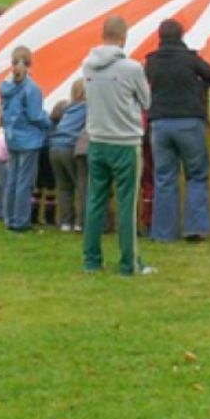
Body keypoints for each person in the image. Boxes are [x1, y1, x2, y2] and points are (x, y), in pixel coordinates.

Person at [82, 16, 154, 275]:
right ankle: (128, 263)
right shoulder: (131, 68)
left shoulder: (88, 65)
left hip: (98, 139)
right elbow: (146, 101)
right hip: (124, 141)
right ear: (124, 37)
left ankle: (91, 259)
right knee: (126, 203)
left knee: (95, 201)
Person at [145, 19, 210, 242]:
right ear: (181, 35)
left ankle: (163, 232)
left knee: (164, 178)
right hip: (188, 121)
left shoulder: (151, 61)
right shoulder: (190, 59)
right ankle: (195, 228)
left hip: (160, 123)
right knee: (196, 174)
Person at [0, 46, 52, 232]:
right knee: (25, 182)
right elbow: (35, 115)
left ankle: (10, 218)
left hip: (12, 136)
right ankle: (21, 221)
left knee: (12, 179)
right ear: (31, 64)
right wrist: (49, 123)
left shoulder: (5, 87)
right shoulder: (31, 89)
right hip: (29, 139)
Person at [48, 79, 87, 233]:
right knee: (82, 186)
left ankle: (66, 222)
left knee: (64, 187)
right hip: (71, 147)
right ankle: (81, 222)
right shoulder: (87, 108)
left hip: (55, 147)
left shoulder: (67, 108)